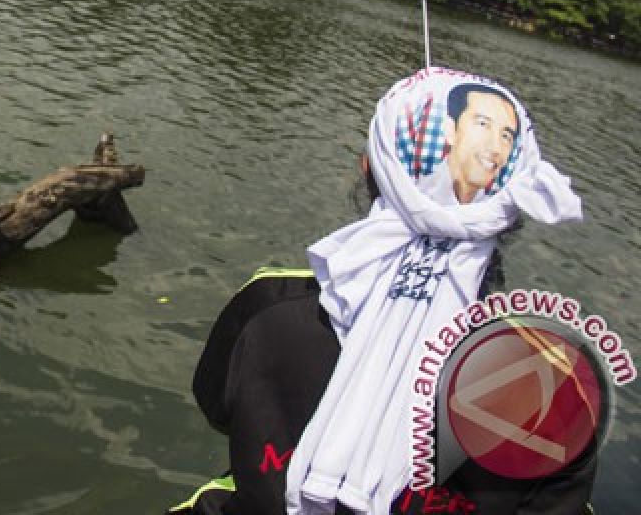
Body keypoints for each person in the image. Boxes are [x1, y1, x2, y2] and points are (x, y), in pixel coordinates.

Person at [168, 69, 590, 515]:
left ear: (369, 166)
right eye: (483, 125)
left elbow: (217, 407)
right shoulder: (553, 384)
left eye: (506, 133)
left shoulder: (268, 302)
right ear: (514, 209)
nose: (495, 141)